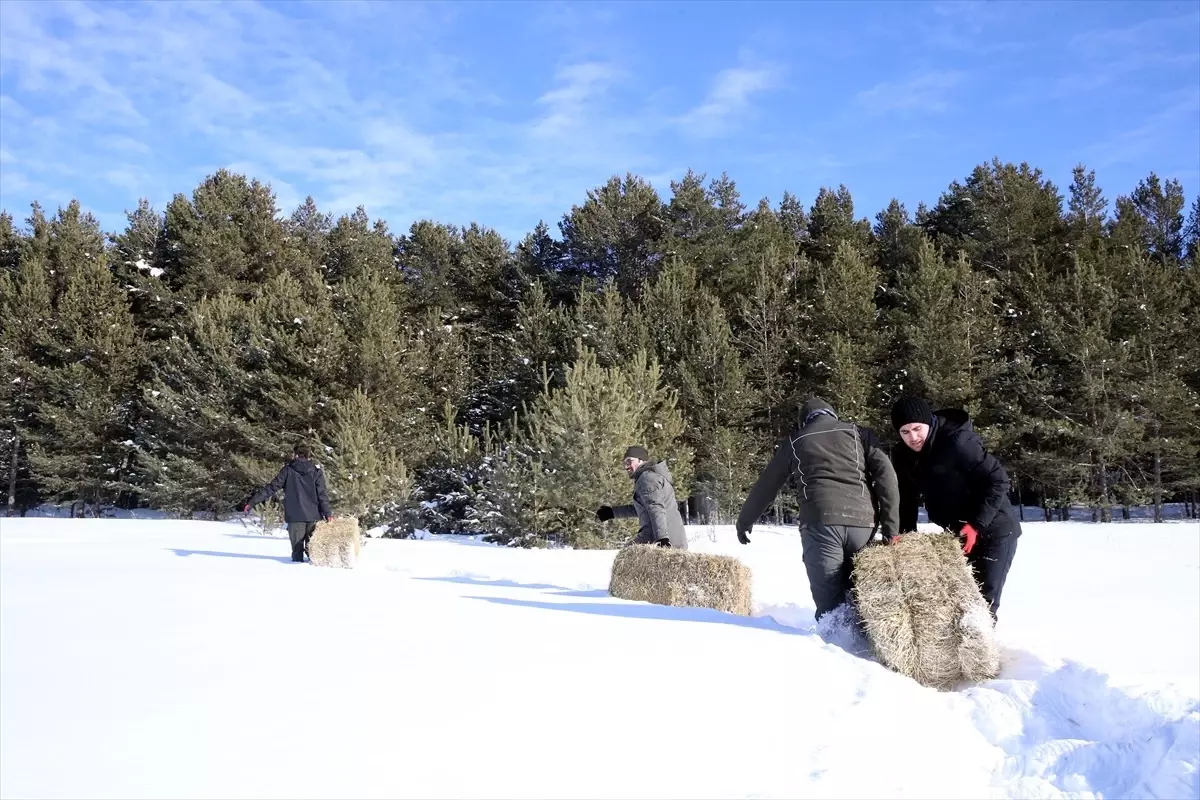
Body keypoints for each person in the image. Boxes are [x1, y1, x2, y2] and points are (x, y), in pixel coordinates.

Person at [735, 397, 900, 621]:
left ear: (804, 421)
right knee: (863, 595)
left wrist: (745, 521)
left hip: (821, 525)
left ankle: (834, 648)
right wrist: (892, 529)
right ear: (832, 415)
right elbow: (886, 478)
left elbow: (767, 485)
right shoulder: (859, 433)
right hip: (863, 524)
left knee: (831, 607)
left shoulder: (795, 441)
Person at [889, 396, 1021, 622]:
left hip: (994, 530)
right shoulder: (903, 456)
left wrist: (976, 525)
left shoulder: (958, 443)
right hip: (957, 533)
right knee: (955, 599)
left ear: (928, 423)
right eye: (905, 432)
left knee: (982, 603)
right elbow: (906, 498)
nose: (913, 437)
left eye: (917, 429)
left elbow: (999, 481)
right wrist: (905, 533)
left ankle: (980, 653)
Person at [243, 443, 333, 562]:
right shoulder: (316, 472)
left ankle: (295, 575)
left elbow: (271, 488)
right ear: (308, 455)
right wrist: (328, 514)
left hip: (294, 517)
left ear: (295, 455)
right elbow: (322, 495)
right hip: (314, 516)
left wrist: (252, 502)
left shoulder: (287, 470)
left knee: (297, 554)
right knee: (315, 553)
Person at [595, 446, 688, 549]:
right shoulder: (649, 477)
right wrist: (612, 512)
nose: (626, 466)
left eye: (629, 461)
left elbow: (655, 508)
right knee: (627, 555)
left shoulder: (647, 479)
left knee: (628, 556)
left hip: (661, 540)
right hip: (670, 537)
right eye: (625, 463)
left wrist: (662, 539)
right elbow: (645, 508)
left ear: (640, 460)